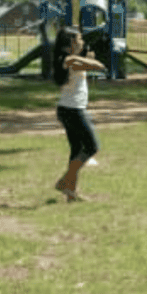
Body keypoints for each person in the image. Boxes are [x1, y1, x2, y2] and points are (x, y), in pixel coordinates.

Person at [52, 26, 105, 202]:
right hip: (73, 110)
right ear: (70, 44)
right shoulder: (71, 60)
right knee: (92, 147)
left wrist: (86, 57)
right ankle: (65, 181)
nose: (83, 42)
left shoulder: (70, 59)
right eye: (80, 39)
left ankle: (71, 193)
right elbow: (99, 66)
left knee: (76, 151)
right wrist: (89, 59)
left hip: (68, 108)